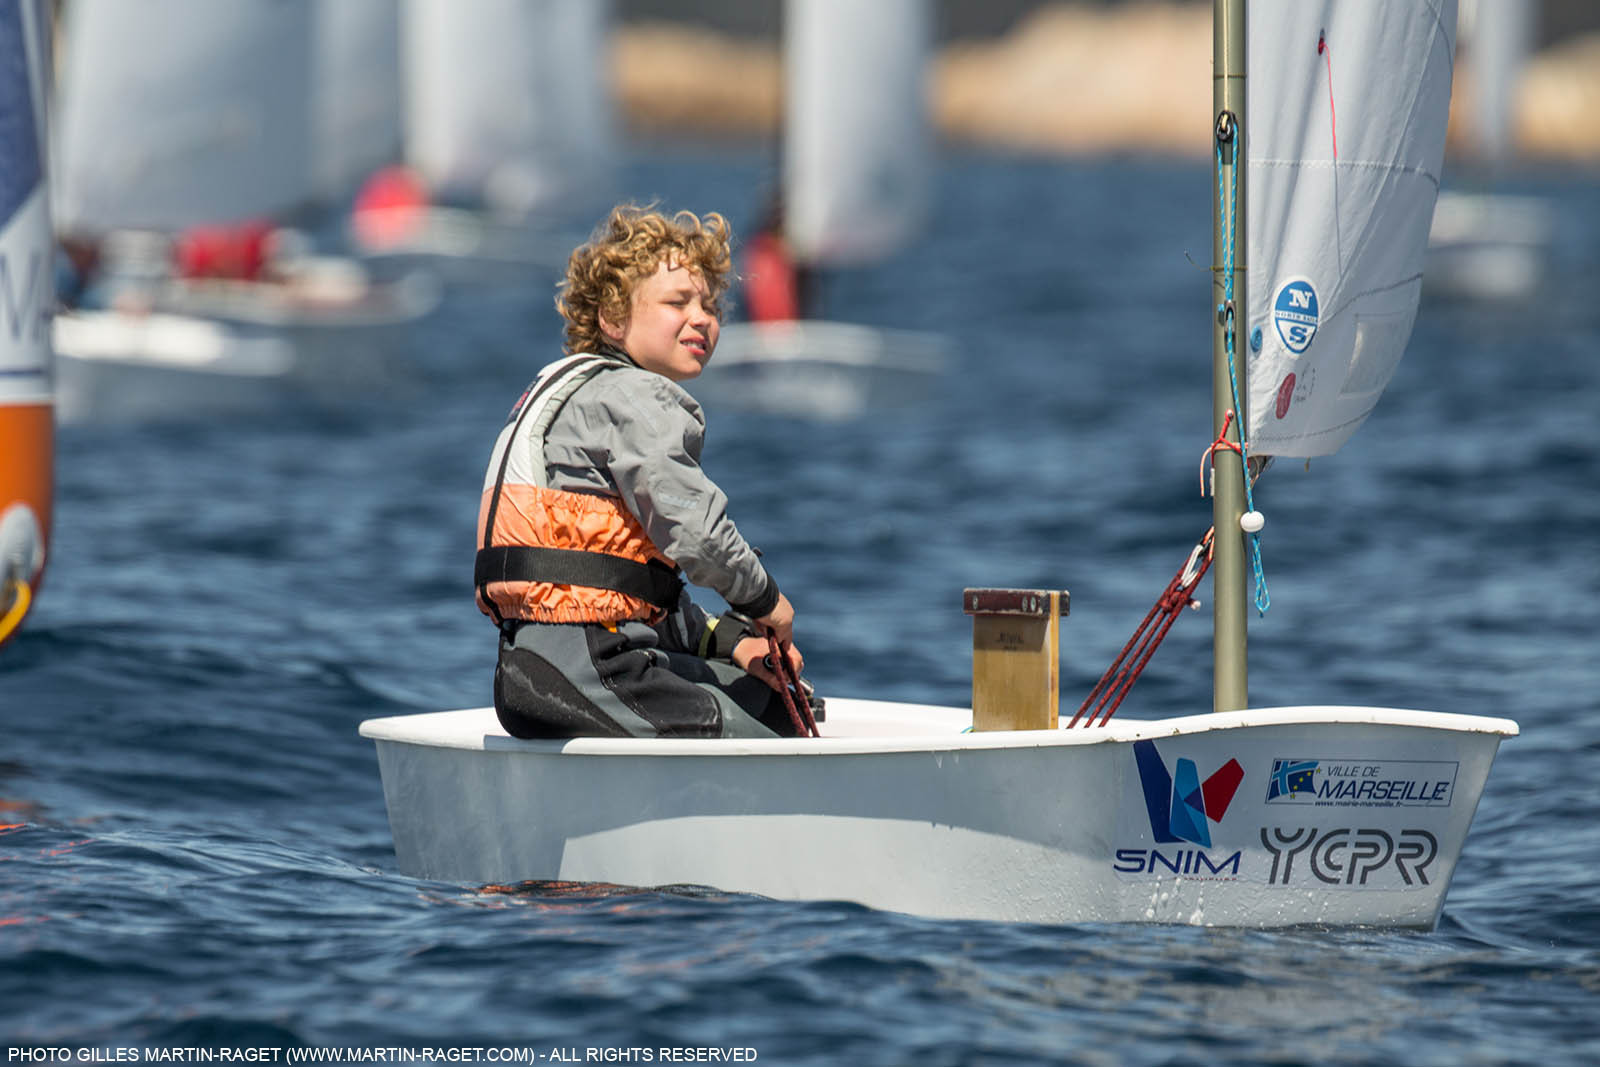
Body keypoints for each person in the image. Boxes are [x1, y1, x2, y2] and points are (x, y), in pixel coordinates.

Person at [476, 204, 807, 739]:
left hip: (534, 667)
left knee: (767, 695)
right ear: (611, 317)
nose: (702, 317)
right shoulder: (631, 394)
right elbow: (695, 530)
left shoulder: (576, 392)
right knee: (766, 729)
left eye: (710, 304)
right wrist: (765, 602)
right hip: (589, 663)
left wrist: (735, 642)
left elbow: (634, 583)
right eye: (678, 302)